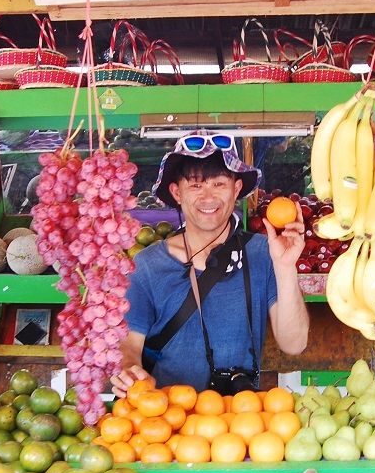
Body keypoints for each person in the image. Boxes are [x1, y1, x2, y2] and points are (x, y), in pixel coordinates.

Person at [109, 132, 309, 396]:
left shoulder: (263, 253)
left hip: (240, 422)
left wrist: (285, 267)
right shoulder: (147, 266)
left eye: (219, 184)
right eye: (195, 186)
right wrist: (128, 370)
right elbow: (128, 347)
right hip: (167, 423)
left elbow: (294, 344)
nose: (208, 197)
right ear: (176, 192)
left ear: (236, 189)